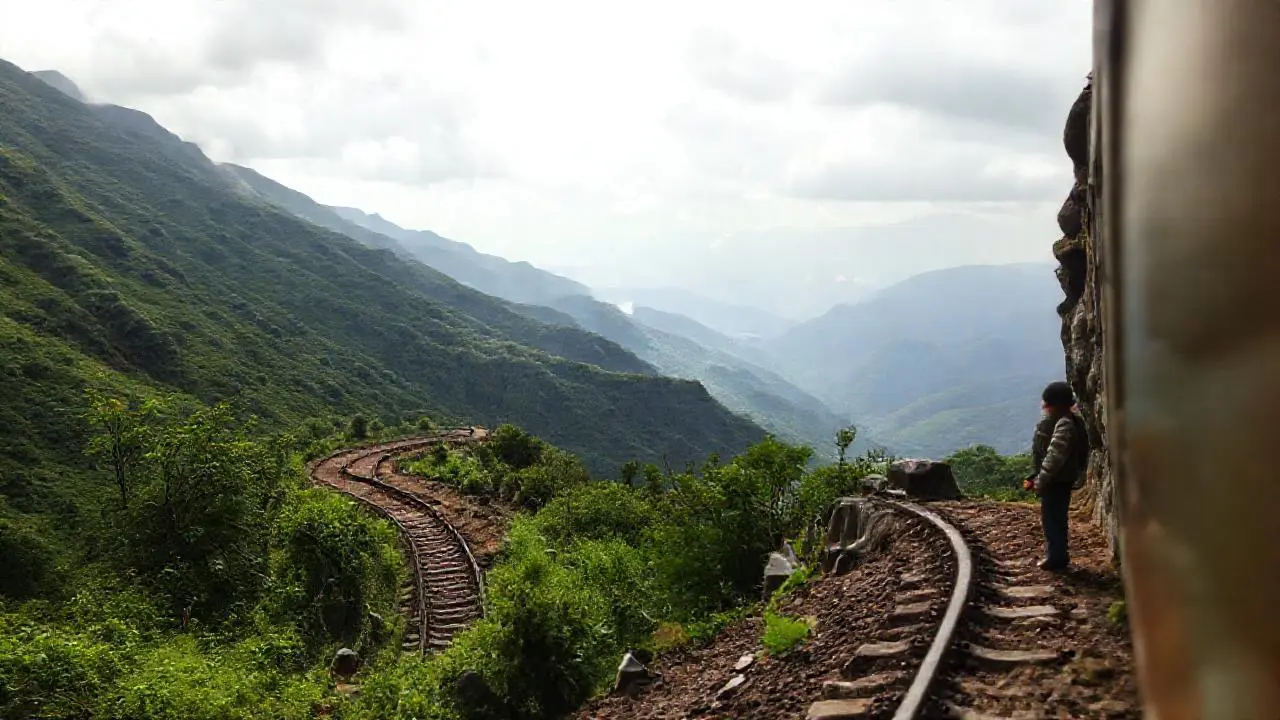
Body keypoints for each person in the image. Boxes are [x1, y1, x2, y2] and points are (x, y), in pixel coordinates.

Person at [1028, 381, 1086, 571]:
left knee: (1052, 519)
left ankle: (1057, 558)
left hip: (1056, 480)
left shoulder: (1063, 424)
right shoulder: (1074, 421)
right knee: (1056, 518)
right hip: (1063, 479)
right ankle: (1058, 555)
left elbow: (1054, 456)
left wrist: (1041, 480)